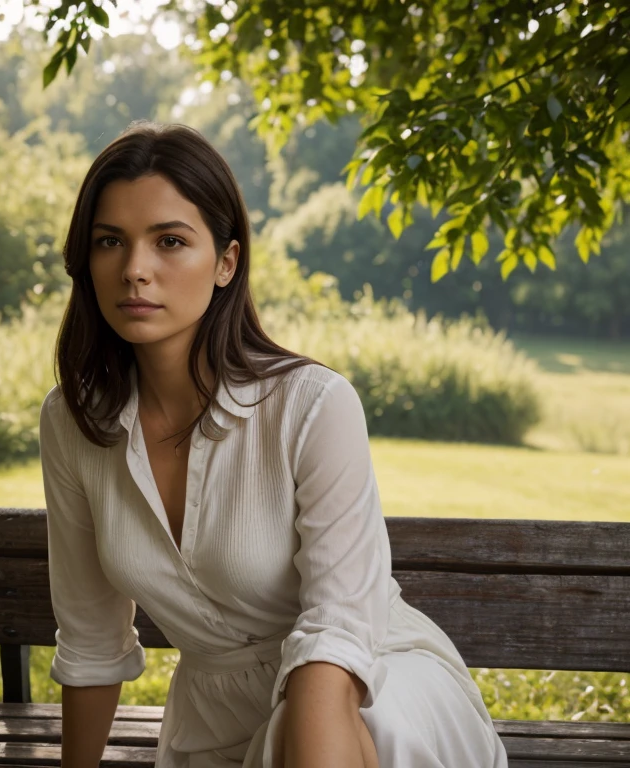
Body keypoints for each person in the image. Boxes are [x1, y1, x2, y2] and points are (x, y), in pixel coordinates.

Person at [38, 120, 509, 768]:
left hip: (371, 686)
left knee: (338, 724)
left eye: (170, 241)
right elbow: (91, 641)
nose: (135, 270)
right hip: (212, 722)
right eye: (109, 242)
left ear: (227, 262)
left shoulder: (313, 406)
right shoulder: (73, 424)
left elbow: (336, 634)